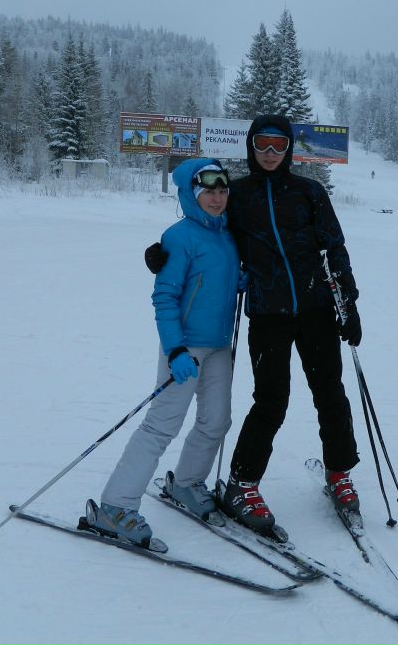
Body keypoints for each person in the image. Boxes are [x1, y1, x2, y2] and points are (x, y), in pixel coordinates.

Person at [147, 115, 364, 535]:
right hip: (267, 315)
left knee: (330, 395)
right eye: (261, 144)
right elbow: (207, 230)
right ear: (250, 147)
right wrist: (162, 253)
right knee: (271, 400)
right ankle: (243, 482)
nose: (269, 153)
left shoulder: (309, 192)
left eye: (277, 145)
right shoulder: (238, 194)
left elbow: (334, 248)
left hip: (316, 310)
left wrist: (349, 305)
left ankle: (339, 472)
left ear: (288, 150)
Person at [86, 158, 240, 551]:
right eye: (209, 192)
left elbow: (225, 279)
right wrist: (174, 349)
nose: (217, 198)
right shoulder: (178, 236)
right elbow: (165, 297)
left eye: (223, 191)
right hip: (185, 347)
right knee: (162, 424)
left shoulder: (228, 235)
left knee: (217, 421)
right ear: (191, 193)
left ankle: (187, 482)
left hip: (220, 345)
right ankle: (115, 505)